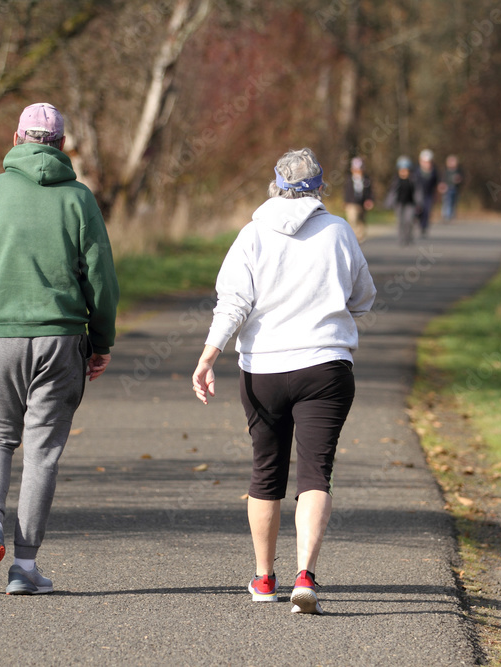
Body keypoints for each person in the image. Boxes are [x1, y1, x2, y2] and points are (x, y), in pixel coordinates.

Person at [0, 102, 119, 595]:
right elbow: (101, 279)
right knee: (42, 452)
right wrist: (101, 340)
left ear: (18, 137)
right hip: (62, 340)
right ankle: (24, 567)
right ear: (61, 145)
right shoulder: (79, 199)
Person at [191, 148, 377, 615]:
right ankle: (305, 576)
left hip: (263, 371)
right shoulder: (339, 230)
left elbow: (232, 303)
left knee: (265, 472)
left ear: (275, 185)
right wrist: (333, 310)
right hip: (326, 367)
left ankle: (263, 577)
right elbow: (364, 296)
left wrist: (208, 356)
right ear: (319, 188)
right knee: (316, 472)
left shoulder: (251, 235)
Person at [385, 155, 417, 245]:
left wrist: (419, 202)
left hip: (410, 203)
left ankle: (408, 237)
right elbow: (392, 192)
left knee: (408, 221)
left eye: (406, 170)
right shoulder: (396, 180)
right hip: (399, 204)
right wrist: (388, 203)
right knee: (400, 222)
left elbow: (418, 192)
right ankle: (401, 238)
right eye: (401, 170)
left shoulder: (413, 180)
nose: (403, 172)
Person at [342, 156, 374, 242]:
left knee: (361, 222)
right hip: (352, 203)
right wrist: (345, 202)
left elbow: (370, 192)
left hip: (362, 203)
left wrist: (369, 200)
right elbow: (346, 191)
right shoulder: (349, 179)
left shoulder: (366, 179)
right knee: (353, 220)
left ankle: (359, 238)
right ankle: (353, 238)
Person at [413, 149, 439, 236]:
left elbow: (436, 182)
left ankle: (423, 226)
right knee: (419, 210)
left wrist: (437, 192)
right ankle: (417, 220)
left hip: (429, 194)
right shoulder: (416, 171)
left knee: (427, 210)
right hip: (417, 194)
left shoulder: (434, 171)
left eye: (428, 162)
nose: (426, 164)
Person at [439, 154, 464, 222]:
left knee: (454, 202)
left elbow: (463, 179)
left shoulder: (459, 171)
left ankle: (452, 215)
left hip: (455, 189)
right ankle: (446, 215)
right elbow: (441, 180)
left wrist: (459, 180)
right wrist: (442, 186)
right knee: (447, 202)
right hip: (447, 189)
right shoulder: (445, 171)